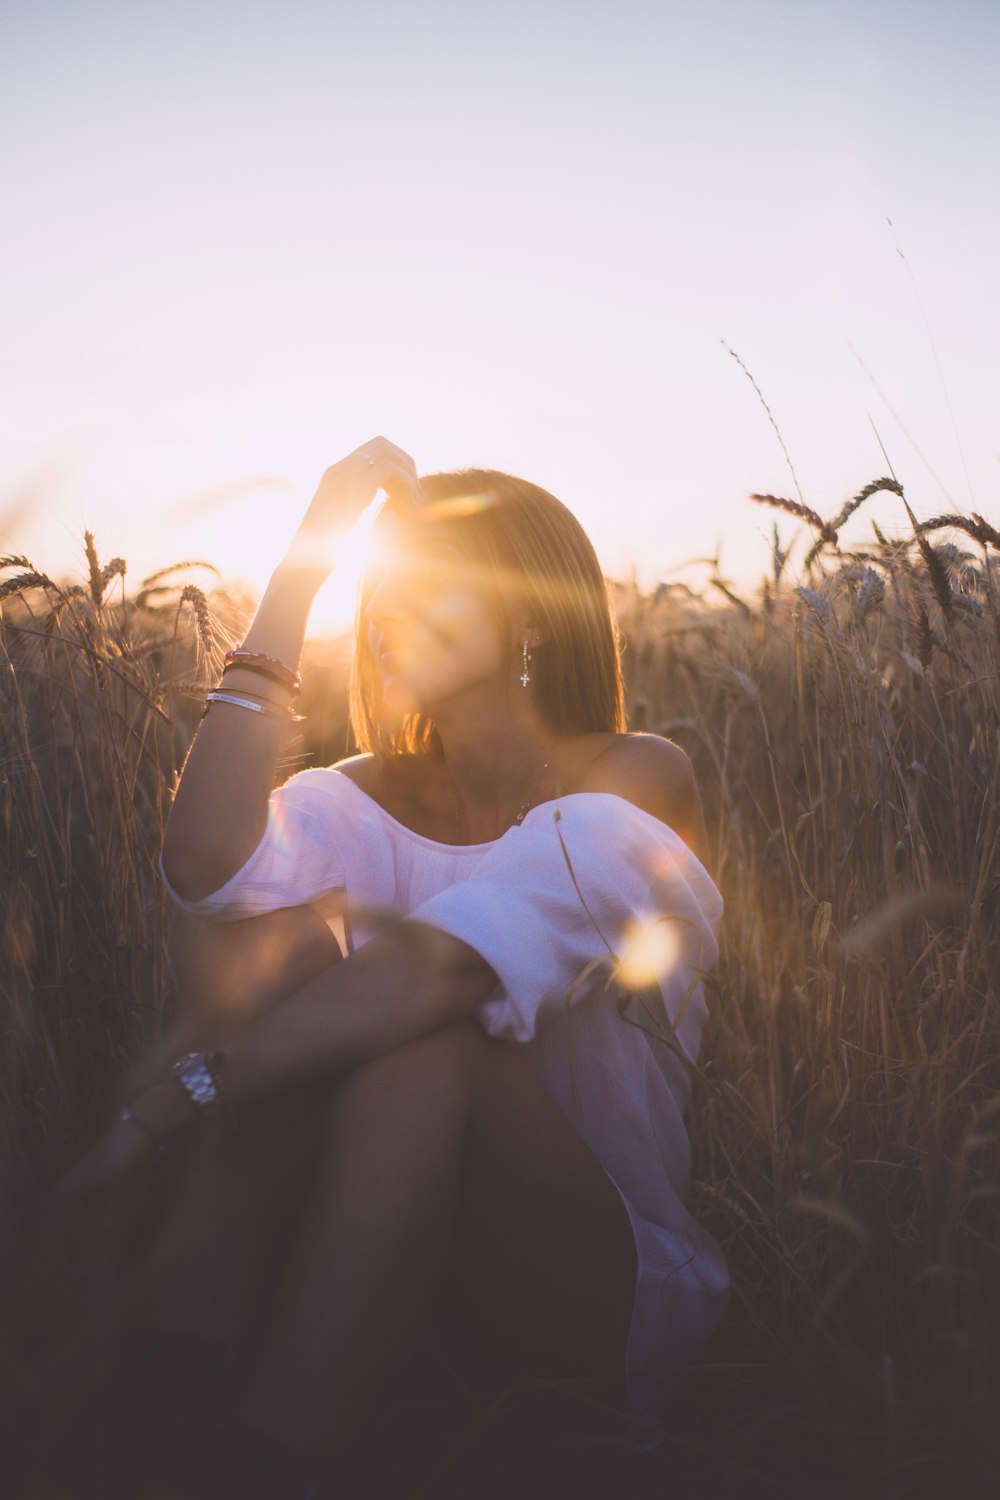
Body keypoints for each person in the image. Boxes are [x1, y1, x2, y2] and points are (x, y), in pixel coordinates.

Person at [40, 436, 730, 1495]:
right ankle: (171, 1394)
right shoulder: (362, 795)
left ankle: (259, 1453)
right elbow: (204, 867)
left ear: (526, 619)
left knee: (426, 1053)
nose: (383, 614)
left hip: (592, 1280)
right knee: (287, 953)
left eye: (426, 588)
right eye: (378, 589)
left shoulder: (633, 780)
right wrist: (302, 567)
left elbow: (447, 969)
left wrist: (161, 1113)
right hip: (387, 1244)